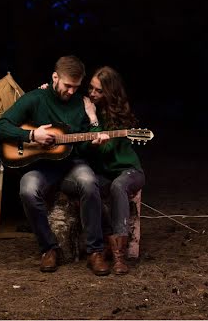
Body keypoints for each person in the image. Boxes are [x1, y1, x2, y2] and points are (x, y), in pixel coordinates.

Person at [0, 55, 112, 275]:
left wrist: (94, 142)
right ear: (55, 77)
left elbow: (83, 146)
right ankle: (48, 248)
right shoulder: (35, 98)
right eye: (67, 86)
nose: (71, 92)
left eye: (76, 87)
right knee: (27, 189)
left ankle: (95, 251)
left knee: (88, 182)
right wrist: (31, 135)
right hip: (43, 166)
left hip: (73, 163)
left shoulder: (81, 104)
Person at [83, 66, 145, 275]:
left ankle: (119, 256)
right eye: (91, 88)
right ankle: (107, 240)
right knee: (88, 187)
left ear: (110, 92)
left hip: (128, 171)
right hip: (104, 174)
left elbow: (106, 149)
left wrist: (93, 120)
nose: (92, 94)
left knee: (118, 186)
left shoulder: (118, 114)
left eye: (99, 91)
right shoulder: (86, 105)